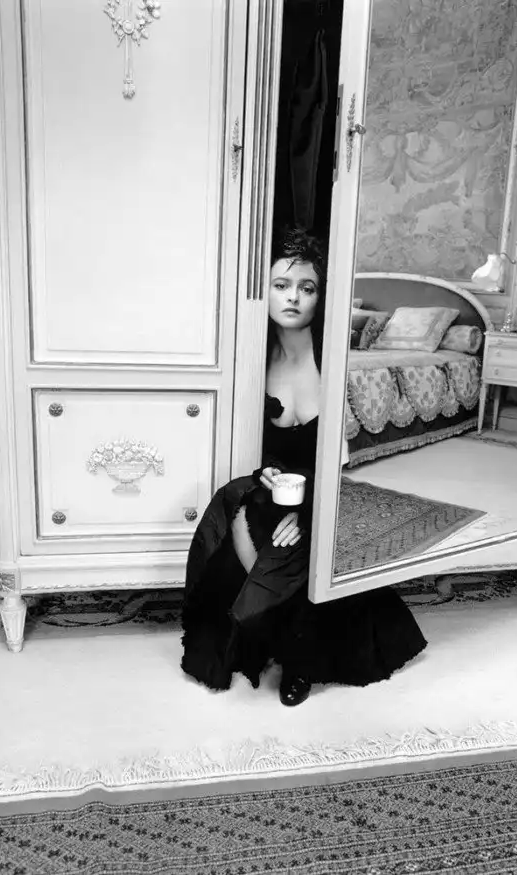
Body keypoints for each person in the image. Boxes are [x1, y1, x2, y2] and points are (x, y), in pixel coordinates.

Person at [181, 228, 427, 706]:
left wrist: (307, 509)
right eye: (281, 285)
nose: (293, 297)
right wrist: (266, 476)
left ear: (320, 297)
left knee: (299, 540)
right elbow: (241, 443)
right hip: (273, 485)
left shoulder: (333, 361)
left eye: (306, 288)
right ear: (265, 292)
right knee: (237, 506)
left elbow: (339, 462)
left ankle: (299, 658)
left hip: (324, 489)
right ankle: (276, 631)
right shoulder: (249, 357)